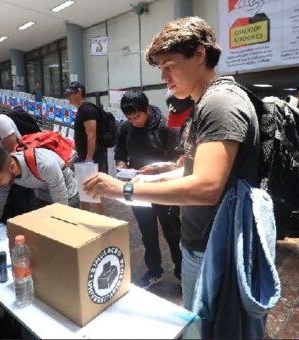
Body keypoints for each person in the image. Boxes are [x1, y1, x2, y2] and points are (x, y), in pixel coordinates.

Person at [83, 16, 260, 313]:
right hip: (203, 242)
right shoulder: (203, 103)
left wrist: (124, 189)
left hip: (216, 248)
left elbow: (206, 187)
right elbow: (193, 170)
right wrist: (149, 179)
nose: (164, 77)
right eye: (160, 69)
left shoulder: (220, 103)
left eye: (169, 65)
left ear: (199, 55)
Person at [115, 90, 182, 288]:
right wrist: (122, 168)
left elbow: (177, 162)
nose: (134, 121)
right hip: (139, 188)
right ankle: (154, 271)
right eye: (129, 117)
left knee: (173, 232)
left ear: (146, 109)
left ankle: (181, 274)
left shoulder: (165, 126)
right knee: (147, 232)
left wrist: (155, 168)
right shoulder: (125, 128)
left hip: (163, 187)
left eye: (137, 116)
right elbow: (119, 154)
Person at [0, 146, 79, 233]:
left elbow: (61, 207)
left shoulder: (45, 165)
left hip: (67, 194)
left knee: (63, 230)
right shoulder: (2, 175)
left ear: (12, 167)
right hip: (42, 193)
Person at [65, 81, 107, 173]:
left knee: (93, 186)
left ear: (79, 92)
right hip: (86, 158)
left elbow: (92, 136)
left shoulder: (87, 110)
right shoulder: (82, 110)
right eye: (67, 94)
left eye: (70, 94)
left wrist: (89, 159)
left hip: (93, 160)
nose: (68, 97)